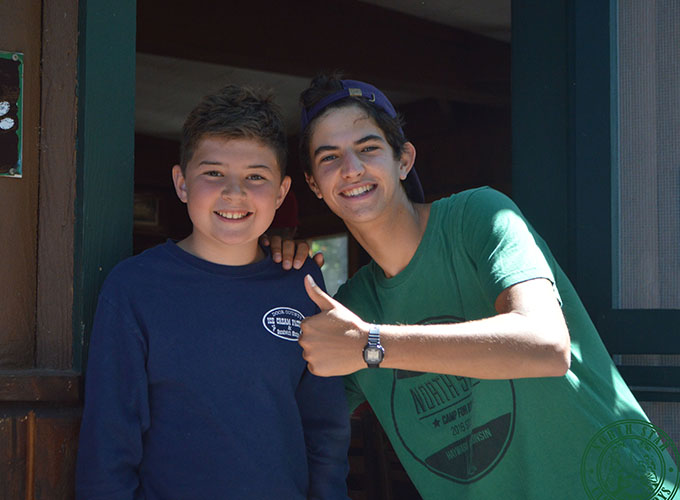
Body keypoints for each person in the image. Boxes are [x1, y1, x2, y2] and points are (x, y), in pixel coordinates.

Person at [271, 74, 674, 499]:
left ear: (404, 159)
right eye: (329, 157)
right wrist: (260, 259)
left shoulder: (479, 216)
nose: (351, 169)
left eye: (368, 148)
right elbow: (288, 427)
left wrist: (370, 344)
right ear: (314, 184)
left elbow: (546, 345)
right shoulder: (351, 308)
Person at [76, 84, 350, 500]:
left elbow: (325, 428)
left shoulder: (302, 285)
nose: (234, 192)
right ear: (182, 183)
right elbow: (110, 440)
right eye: (213, 173)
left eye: (255, 176)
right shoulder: (134, 287)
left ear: (281, 192)